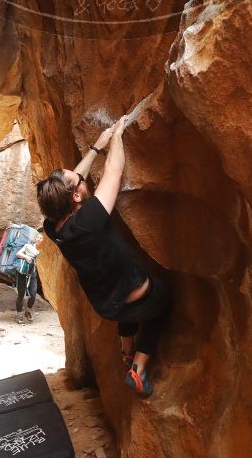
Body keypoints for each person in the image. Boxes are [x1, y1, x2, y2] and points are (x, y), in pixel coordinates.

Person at [36, 117, 171, 398]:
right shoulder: (90, 219)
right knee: (163, 302)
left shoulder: (54, 227)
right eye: (77, 182)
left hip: (107, 305)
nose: (80, 176)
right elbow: (115, 170)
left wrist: (97, 147)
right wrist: (118, 135)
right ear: (74, 198)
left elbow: (71, 180)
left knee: (122, 296)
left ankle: (125, 349)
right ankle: (138, 368)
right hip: (138, 296)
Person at [15, 233, 42, 323]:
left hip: (32, 274)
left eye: (41, 238)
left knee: (33, 294)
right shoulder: (28, 246)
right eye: (38, 237)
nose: (39, 239)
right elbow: (18, 253)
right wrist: (26, 257)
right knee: (21, 294)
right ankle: (19, 315)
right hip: (22, 273)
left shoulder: (43, 251)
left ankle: (28, 311)